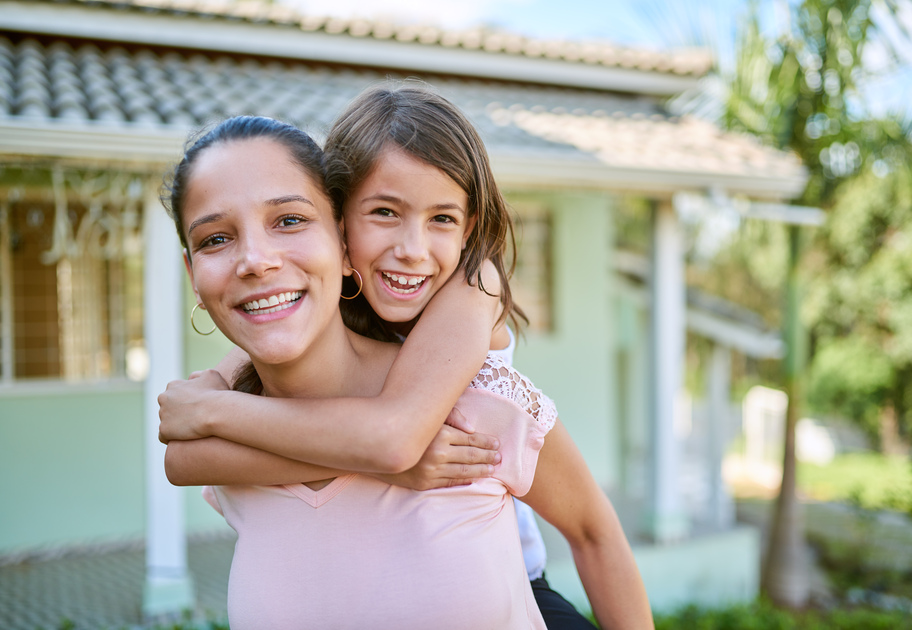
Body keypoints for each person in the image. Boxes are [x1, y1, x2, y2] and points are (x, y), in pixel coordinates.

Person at [160, 86, 653, 629]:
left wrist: (209, 413)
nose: (412, 248)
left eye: (441, 219)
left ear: (467, 230)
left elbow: (394, 439)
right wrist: (206, 410)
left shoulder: (470, 289)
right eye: (385, 212)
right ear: (343, 228)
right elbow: (184, 459)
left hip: (526, 580)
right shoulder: (295, 326)